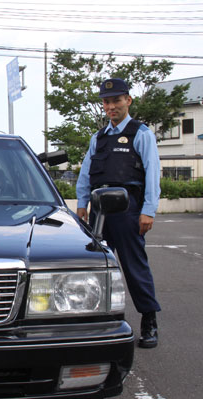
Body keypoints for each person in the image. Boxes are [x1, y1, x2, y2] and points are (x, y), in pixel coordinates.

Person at [75, 78, 162, 348]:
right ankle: (96, 322)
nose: (111, 106)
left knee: (134, 267)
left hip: (127, 210)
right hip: (99, 211)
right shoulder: (99, 138)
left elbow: (153, 173)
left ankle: (149, 321)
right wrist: (81, 204)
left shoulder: (141, 133)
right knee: (95, 268)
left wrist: (148, 211)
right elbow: (85, 174)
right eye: (107, 101)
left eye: (116, 100)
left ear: (128, 101)